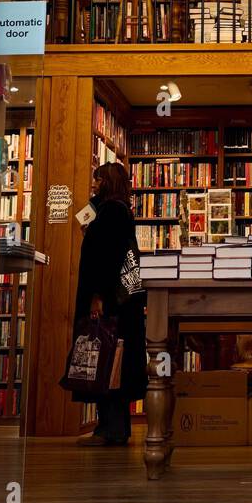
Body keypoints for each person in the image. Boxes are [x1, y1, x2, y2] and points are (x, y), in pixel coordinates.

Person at [71, 161, 147, 446]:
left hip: (110, 300)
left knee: (107, 358)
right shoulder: (115, 209)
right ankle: (114, 429)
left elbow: (107, 259)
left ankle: (110, 430)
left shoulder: (112, 212)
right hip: (120, 300)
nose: (94, 184)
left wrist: (97, 297)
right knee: (114, 361)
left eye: (98, 179)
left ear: (108, 182)